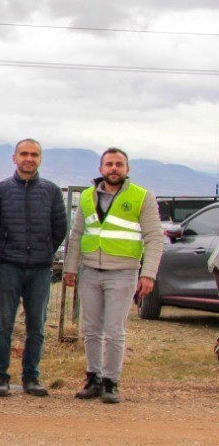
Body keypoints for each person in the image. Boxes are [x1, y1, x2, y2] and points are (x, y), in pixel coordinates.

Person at [62, 148, 164, 404]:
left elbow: (154, 237)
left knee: (114, 330)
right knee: (91, 329)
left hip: (123, 272)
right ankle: (93, 378)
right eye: (109, 164)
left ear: (127, 169)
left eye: (119, 164)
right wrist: (70, 268)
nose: (114, 168)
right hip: (90, 271)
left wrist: (148, 273)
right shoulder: (87, 196)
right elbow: (76, 235)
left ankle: (111, 382)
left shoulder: (142, 197)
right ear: (101, 169)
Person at [0, 139, 67, 397]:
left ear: (40, 159)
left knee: (36, 325)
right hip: (9, 265)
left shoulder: (52, 192)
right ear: (14, 158)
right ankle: (0, 377)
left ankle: (31, 377)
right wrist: (3, 252)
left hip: (40, 269)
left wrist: (45, 250)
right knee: (4, 324)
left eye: (34, 154)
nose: (29, 158)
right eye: (24, 154)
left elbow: (59, 229)